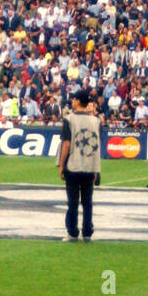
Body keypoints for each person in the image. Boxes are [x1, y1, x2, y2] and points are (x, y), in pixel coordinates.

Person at [57, 91, 101, 242]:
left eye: (73, 100)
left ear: (76, 101)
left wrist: (61, 165)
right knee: (87, 202)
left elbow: (66, 144)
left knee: (73, 202)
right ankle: (87, 232)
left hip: (74, 165)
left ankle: (72, 232)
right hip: (90, 166)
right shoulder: (96, 121)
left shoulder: (69, 119)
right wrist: (96, 169)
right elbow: (96, 145)